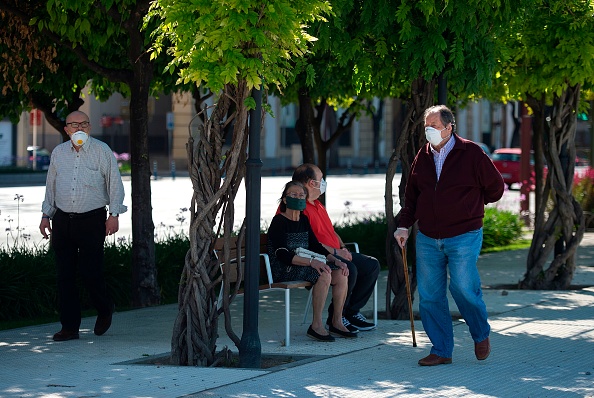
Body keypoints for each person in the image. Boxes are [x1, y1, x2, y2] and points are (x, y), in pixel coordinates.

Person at [394, 105, 504, 366]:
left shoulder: (472, 152)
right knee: (430, 296)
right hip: (428, 237)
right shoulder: (423, 155)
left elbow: (496, 189)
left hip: (464, 234)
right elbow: (412, 197)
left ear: (449, 127)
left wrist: (471, 207)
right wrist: (403, 226)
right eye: (426, 127)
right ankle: (442, 350)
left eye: (434, 126)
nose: (429, 131)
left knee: (463, 288)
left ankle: (480, 333)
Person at [39, 110, 127, 342]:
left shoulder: (102, 151)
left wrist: (114, 214)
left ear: (89, 127)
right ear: (66, 129)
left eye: (84, 124)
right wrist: (46, 215)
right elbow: (51, 186)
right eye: (73, 125)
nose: (79, 128)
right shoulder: (58, 153)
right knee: (64, 276)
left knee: (90, 272)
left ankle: (105, 307)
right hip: (62, 220)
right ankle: (69, 327)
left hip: (92, 219)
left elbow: (114, 184)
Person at [291, 164, 380, 332]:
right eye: (321, 179)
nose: (323, 182)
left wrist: (343, 248)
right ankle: (336, 318)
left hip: (336, 252)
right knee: (349, 269)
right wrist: (337, 253)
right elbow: (310, 243)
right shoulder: (299, 208)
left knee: (371, 265)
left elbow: (331, 231)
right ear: (312, 183)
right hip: (319, 255)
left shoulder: (318, 204)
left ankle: (350, 312)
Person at [267, 181, 357, 341]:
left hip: (304, 264)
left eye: (301, 195)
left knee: (341, 273)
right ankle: (316, 325)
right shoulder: (278, 222)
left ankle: (336, 321)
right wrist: (312, 263)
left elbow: (315, 246)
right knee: (323, 273)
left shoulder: (303, 220)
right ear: (285, 200)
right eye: (293, 195)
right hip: (285, 268)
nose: (298, 197)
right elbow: (282, 254)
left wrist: (336, 260)